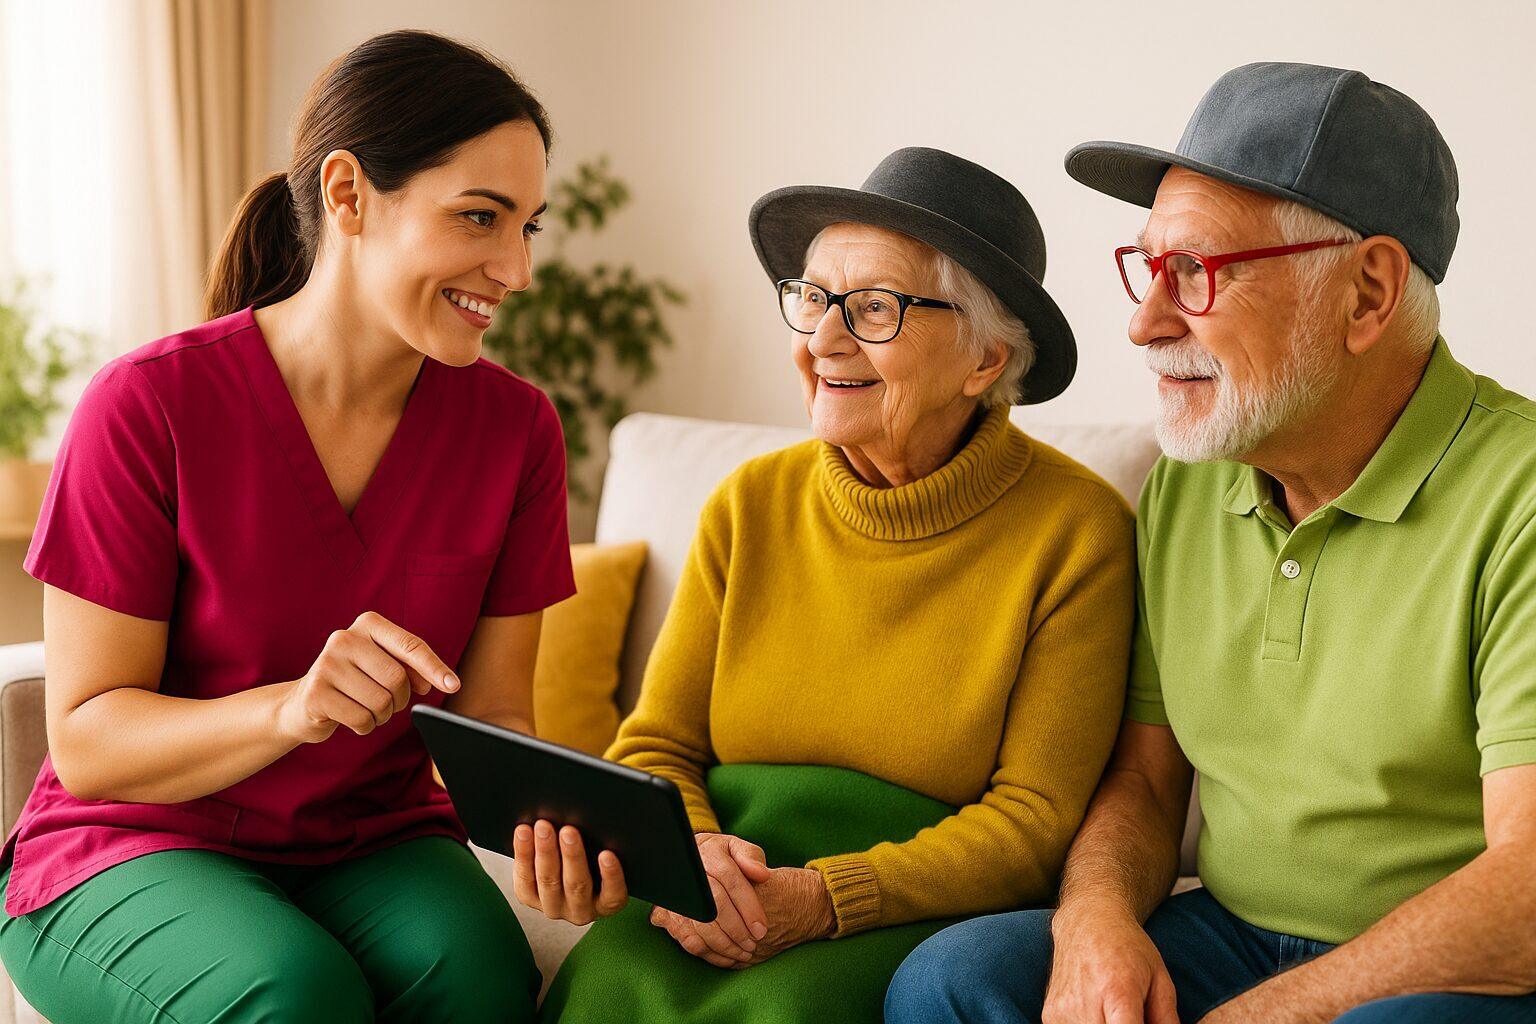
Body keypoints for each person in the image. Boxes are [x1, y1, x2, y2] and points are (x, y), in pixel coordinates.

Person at [888, 62, 1536, 1024]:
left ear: (1367, 292)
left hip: (1444, 974)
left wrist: (1262, 1016)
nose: (1146, 324)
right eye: (1147, 268)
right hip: (1231, 935)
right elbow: (1148, 782)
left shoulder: (1519, 494)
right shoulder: (1190, 481)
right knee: (953, 978)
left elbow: (1524, 892)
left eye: (1194, 272)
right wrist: (1096, 915)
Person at [0, 30, 624, 1024]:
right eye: (479, 217)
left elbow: (497, 717)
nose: (516, 269)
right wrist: (290, 709)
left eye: (529, 228)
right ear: (348, 196)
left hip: (369, 839)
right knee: (294, 993)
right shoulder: (147, 405)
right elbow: (87, 740)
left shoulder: (517, 431)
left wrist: (579, 828)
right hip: (134, 838)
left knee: (484, 982)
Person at [540, 147, 1136, 1023]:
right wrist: (695, 856)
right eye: (814, 298)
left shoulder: (1077, 530)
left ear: (983, 359)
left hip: (901, 906)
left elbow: (1033, 822)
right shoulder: (750, 502)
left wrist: (825, 899)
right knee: (607, 987)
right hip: (720, 886)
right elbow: (657, 745)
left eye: (875, 309)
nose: (821, 341)